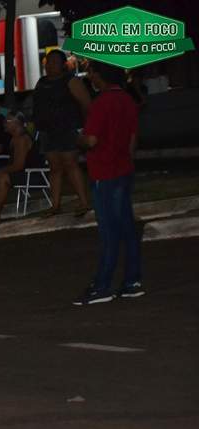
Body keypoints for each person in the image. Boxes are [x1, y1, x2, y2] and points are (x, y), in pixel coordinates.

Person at [73, 61, 143, 306]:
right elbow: (133, 138)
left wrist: (78, 138)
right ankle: (132, 281)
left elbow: (91, 140)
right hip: (123, 169)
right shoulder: (126, 100)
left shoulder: (102, 103)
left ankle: (102, 286)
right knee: (127, 228)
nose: (89, 77)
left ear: (100, 75)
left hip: (104, 172)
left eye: (91, 72)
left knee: (109, 231)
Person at [33, 49, 92, 217]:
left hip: (68, 129)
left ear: (63, 64)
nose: (49, 66)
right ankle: (55, 205)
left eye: (54, 62)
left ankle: (83, 202)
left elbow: (86, 103)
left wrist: (85, 127)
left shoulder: (71, 81)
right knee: (54, 168)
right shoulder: (42, 82)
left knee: (70, 164)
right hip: (47, 131)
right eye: (48, 62)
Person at [0, 110, 42, 225]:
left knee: (1, 178)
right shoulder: (14, 138)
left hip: (32, 174)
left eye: (8, 121)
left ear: (18, 123)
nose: (4, 123)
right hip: (22, 173)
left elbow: (19, 165)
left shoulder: (21, 139)